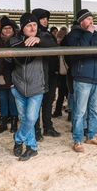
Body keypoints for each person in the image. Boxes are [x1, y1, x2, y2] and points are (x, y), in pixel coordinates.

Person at [7, 13, 56, 161]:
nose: (33, 28)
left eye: (34, 24)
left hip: (37, 86)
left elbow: (54, 46)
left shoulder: (44, 38)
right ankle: (31, 147)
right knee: (23, 118)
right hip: (18, 86)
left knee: (31, 118)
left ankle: (18, 139)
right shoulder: (14, 40)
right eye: (29, 25)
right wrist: (11, 83)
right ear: (22, 27)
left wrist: (39, 41)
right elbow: (15, 56)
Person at [63, 9, 97, 153]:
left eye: (92, 19)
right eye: (88, 19)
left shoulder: (96, 34)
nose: (91, 21)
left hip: (96, 77)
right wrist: (88, 34)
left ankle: (91, 135)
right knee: (80, 111)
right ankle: (77, 140)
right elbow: (78, 51)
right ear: (81, 21)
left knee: (94, 110)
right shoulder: (73, 35)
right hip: (82, 77)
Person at [32, 8, 61, 139]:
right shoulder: (33, 35)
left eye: (46, 19)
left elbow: (55, 49)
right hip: (38, 74)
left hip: (51, 73)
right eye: (42, 19)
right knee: (37, 102)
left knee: (49, 101)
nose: (45, 21)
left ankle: (48, 127)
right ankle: (36, 130)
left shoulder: (48, 34)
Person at [0, 17, 19, 133]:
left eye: (10, 28)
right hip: (0, 75)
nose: (7, 30)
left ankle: (14, 123)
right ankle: (3, 123)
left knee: (13, 99)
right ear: (1, 30)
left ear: (13, 29)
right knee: (2, 99)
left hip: (14, 76)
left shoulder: (17, 41)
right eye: (5, 28)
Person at [53, 27, 69, 118]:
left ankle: (58, 111)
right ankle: (69, 112)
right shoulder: (68, 45)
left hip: (61, 73)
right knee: (67, 93)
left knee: (62, 93)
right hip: (66, 73)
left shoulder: (57, 47)